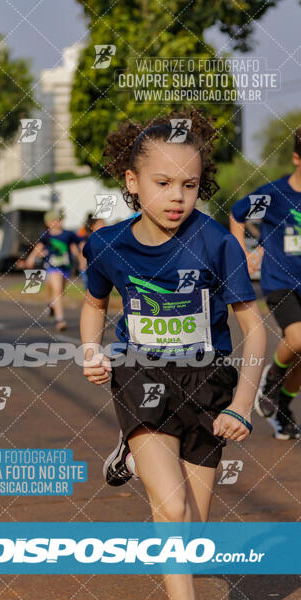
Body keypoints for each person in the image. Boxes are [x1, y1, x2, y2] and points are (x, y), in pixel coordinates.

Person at [80, 109, 266, 600]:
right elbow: (93, 303)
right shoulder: (107, 245)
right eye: (162, 182)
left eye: (189, 183)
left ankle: (132, 455)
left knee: (195, 535)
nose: (177, 196)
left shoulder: (217, 242)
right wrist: (91, 350)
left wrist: (242, 404)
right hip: (141, 375)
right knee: (173, 508)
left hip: (209, 383)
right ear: (133, 181)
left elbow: (254, 329)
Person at [230, 126, 301, 440]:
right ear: (297, 158)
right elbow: (237, 213)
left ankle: (282, 406)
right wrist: (240, 250)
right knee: (298, 339)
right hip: (281, 280)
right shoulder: (274, 195)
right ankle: (272, 379)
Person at [23, 210, 83, 331]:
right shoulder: (46, 235)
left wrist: (81, 259)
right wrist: (31, 259)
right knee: (58, 292)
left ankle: (51, 304)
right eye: (57, 219)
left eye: (61, 219)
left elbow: (74, 248)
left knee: (60, 291)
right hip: (52, 266)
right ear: (49, 222)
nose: (60, 222)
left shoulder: (68, 234)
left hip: (66, 267)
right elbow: (38, 247)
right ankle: (60, 320)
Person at [77, 213, 106, 290]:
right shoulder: (87, 240)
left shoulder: (103, 239)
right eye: (101, 223)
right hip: (88, 268)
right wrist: (83, 266)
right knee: (89, 290)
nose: (104, 224)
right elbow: (82, 254)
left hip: (99, 268)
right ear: (93, 226)